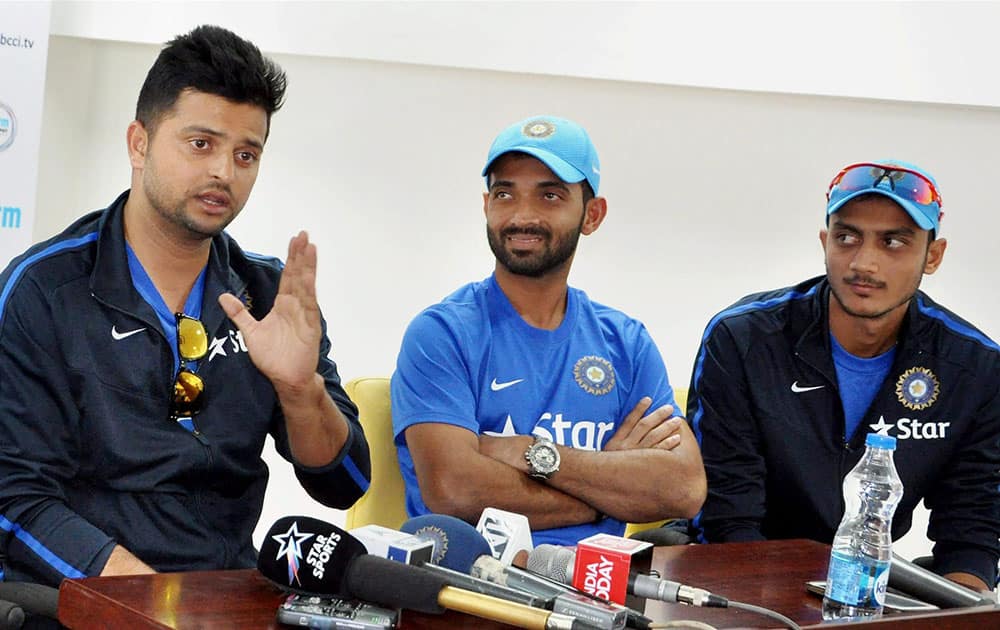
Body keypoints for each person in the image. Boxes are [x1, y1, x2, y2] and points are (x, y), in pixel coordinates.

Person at [0, 25, 370, 587]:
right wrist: (152, 603)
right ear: (138, 142)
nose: (224, 171)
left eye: (246, 154)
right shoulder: (45, 291)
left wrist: (301, 392)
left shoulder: (268, 293)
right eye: (202, 144)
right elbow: (14, 498)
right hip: (86, 600)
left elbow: (344, 483)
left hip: (225, 598)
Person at [391, 115, 705, 546]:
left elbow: (683, 488)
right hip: (471, 593)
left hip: (600, 595)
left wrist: (531, 454)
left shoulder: (625, 342)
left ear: (592, 215)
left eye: (550, 195)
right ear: (486, 206)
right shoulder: (442, 333)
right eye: (505, 193)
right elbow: (455, 489)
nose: (523, 215)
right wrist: (603, 489)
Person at [688, 160, 999, 592]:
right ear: (824, 242)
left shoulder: (976, 367)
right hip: (742, 574)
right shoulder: (744, 339)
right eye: (847, 237)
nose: (864, 263)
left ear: (933, 256)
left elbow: (971, 536)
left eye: (894, 242)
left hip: (868, 579)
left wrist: (964, 615)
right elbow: (727, 516)